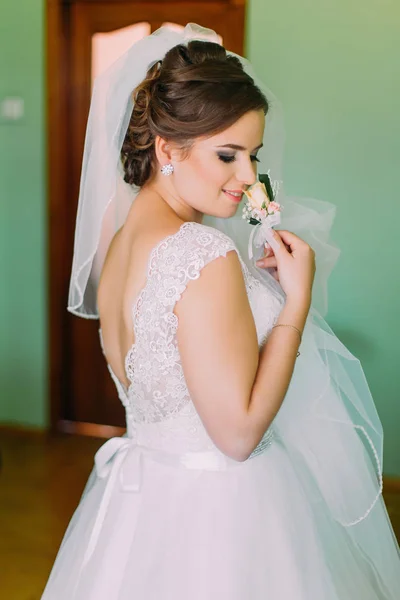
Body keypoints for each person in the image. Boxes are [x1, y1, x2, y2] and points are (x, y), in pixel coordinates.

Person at [41, 23, 400, 599]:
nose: (247, 177)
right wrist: (295, 305)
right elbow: (237, 435)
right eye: (227, 155)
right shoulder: (202, 252)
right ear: (166, 148)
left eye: (252, 156)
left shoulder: (122, 243)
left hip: (141, 504)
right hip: (225, 512)